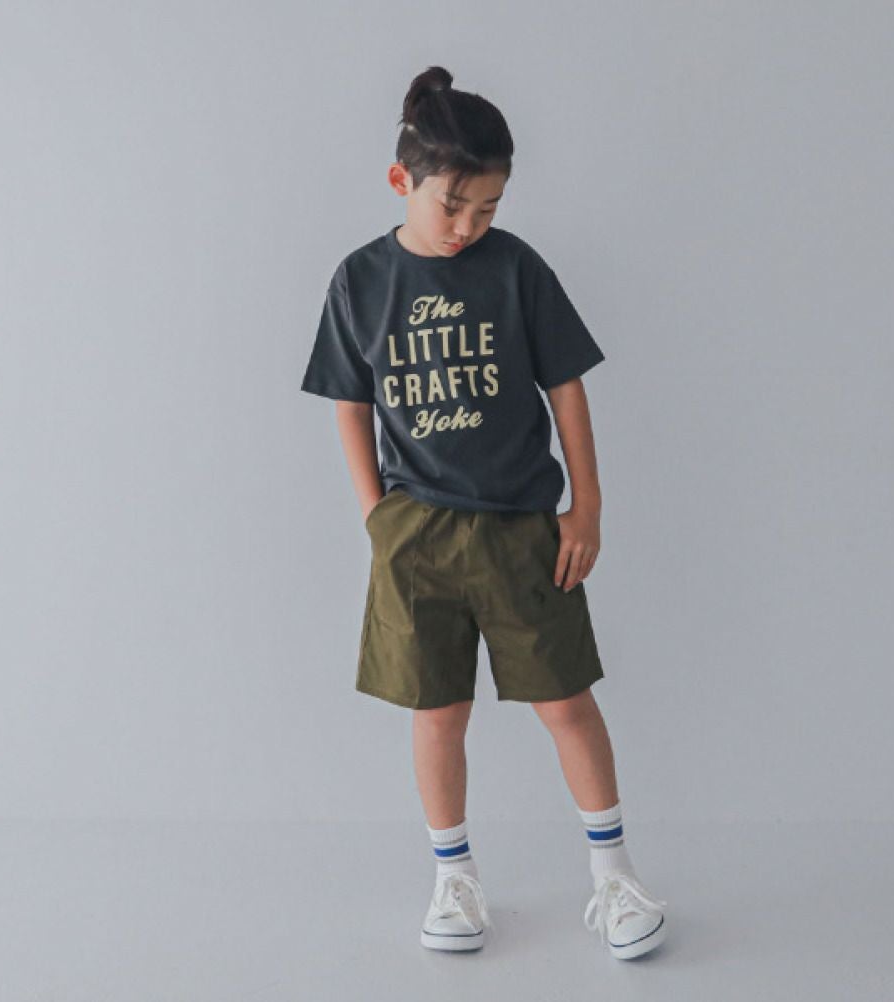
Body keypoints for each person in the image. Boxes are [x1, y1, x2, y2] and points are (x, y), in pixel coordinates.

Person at [300, 65, 667, 960]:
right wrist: (375, 517)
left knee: (566, 701)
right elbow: (349, 401)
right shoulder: (361, 279)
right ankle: (453, 879)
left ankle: (615, 878)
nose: (468, 225)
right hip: (416, 534)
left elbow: (566, 386)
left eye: (489, 208)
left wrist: (586, 506)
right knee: (438, 713)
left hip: (521, 527)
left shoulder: (515, 268)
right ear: (403, 180)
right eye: (453, 205)